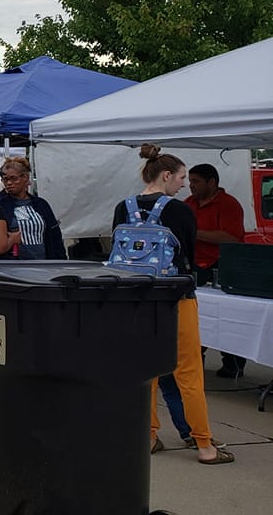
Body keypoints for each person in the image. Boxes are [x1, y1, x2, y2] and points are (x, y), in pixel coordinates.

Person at [113, 144, 232, 464]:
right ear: (166, 175)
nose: (183, 184)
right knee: (189, 374)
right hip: (175, 298)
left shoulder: (123, 207)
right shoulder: (179, 210)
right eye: (180, 177)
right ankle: (204, 444)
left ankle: (148, 435)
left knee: (145, 371)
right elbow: (189, 257)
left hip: (135, 300)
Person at [186, 163, 247, 378]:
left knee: (227, 314)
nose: (190, 185)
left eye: (196, 181)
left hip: (221, 265)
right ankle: (195, 359)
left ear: (211, 182)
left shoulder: (229, 205)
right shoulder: (189, 203)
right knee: (196, 313)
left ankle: (233, 362)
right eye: (190, 181)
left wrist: (194, 232)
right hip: (194, 265)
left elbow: (231, 238)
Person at [0, 156, 66, 260]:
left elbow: (55, 237)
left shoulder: (41, 204)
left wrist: (61, 262)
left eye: (14, 178)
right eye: (5, 180)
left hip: (45, 264)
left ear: (25, 177)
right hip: (13, 266)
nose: (9, 183)